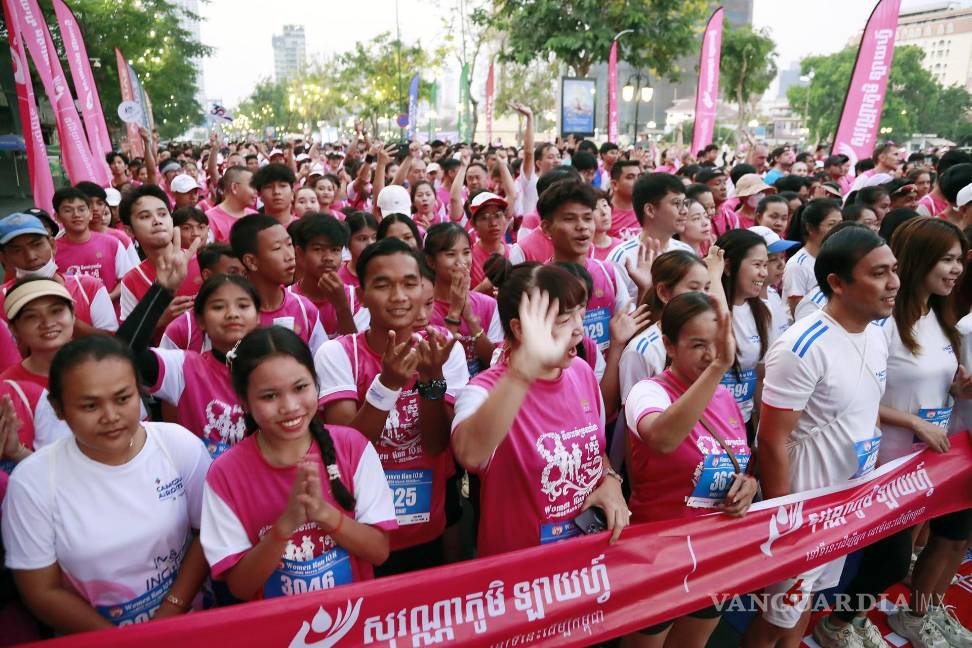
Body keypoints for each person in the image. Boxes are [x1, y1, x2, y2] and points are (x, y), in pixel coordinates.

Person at [744, 224, 901, 648]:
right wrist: (786, 521)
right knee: (775, 617)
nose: (893, 284)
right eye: (878, 273)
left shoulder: (876, 332)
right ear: (836, 282)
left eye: (894, 270)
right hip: (803, 512)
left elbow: (866, 411)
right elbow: (772, 439)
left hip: (845, 507)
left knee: (808, 601)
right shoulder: (802, 346)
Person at [1, 335, 211, 631]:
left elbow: (208, 532)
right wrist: (117, 640)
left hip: (187, 625)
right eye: (90, 406)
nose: (110, 416)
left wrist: (170, 612)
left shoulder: (179, 446)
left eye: (123, 398)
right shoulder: (32, 482)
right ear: (58, 408)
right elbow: (41, 590)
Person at [200, 327, 396, 600]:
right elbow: (241, 587)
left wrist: (324, 514)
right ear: (244, 402)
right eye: (269, 396)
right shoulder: (225, 475)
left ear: (316, 383)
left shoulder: (352, 447)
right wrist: (286, 525)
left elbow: (378, 551)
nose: (290, 406)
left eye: (300, 387)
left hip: (352, 620)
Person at [451, 263, 628, 556]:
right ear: (519, 328)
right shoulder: (483, 392)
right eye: (562, 320)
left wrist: (610, 479)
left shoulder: (581, 372)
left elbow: (594, 448)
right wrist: (524, 369)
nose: (578, 329)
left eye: (578, 314)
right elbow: (470, 453)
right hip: (519, 578)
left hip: (585, 563)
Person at [316, 238, 469, 575]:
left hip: (425, 522)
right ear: (363, 293)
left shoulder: (443, 349)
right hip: (361, 527)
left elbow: (436, 444)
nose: (399, 297)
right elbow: (345, 450)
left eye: (409, 284)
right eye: (383, 285)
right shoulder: (339, 354)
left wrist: (431, 379)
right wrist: (386, 386)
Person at [623, 292, 757, 648]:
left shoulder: (726, 398)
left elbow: (737, 462)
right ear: (669, 344)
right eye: (698, 344)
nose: (711, 355)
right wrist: (717, 370)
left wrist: (747, 485)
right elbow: (662, 439)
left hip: (715, 552)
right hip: (657, 557)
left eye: (717, 344)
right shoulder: (649, 392)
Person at [872, 217, 972, 646]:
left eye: (959, 260)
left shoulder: (940, 315)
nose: (956, 269)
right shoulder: (883, 323)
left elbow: (929, 383)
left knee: (938, 543)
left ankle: (921, 614)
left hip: (931, 460)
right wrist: (912, 421)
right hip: (886, 463)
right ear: (919, 260)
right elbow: (857, 397)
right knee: (883, 563)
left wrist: (956, 389)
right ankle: (840, 623)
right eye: (946, 260)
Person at [542, 180, 630, 352]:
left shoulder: (609, 273)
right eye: (569, 219)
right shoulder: (538, 285)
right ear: (546, 228)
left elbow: (628, 327)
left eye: (587, 218)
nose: (582, 227)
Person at [0, 213, 117, 335]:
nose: (31, 256)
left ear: (52, 245)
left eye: (37, 245)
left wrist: (67, 319)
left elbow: (112, 342)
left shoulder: (89, 287)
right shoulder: (1, 298)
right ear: (3, 259)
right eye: (17, 250)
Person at [229, 215, 327, 356]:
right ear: (251, 261)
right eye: (277, 248)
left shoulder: (304, 308)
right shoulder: (233, 315)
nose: (289, 256)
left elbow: (320, 362)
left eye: (289, 244)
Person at [424, 222, 503, 376]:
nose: (461, 261)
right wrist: (454, 311)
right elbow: (436, 365)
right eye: (450, 254)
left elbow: (494, 364)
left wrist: (470, 320)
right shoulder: (422, 307)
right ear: (431, 261)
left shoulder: (489, 305)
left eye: (466, 252)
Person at [118, 185, 203, 324]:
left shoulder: (202, 260)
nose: (157, 220)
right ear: (129, 230)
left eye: (163, 214)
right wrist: (159, 319)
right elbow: (126, 340)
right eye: (145, 216)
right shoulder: (131, 281)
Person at [51, 187, 135, 304]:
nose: (76, 215)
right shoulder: (52, 251)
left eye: (81, 209)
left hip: (114, 319)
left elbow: (129, 279)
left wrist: (107, 298)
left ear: (90, 213)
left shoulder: (112, 243)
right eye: (68, 210)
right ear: (57, 217)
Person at [289, 213, 367, 337]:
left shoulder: (355, 298)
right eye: (318, 249)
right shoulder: (288, 299)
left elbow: (355, 350)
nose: (328, 258)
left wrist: (342, 307)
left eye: (335, 250)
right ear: (300, 253)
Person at [782, 198, 842, 316]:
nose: (838, 230)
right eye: (831, 225)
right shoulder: (797, 265)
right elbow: (797, 311)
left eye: (840, 224)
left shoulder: (836, 258)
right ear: (810, 228)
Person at [467, 192, 510, 292]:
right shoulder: (468, 257)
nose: (493, 223)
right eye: (485, 217)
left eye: (498, 215)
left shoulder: (514, 252)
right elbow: (460, 302)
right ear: (473, 224)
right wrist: (483, 287)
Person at [206, 166, 257, 241]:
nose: (256, 191)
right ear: (234, 187)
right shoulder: (210, 218)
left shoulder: (255, 216)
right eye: (252, 186)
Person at [338, 211, 378, 288]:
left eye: (374, 237)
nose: (370, 243)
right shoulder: (340, 281)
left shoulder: (387, 272)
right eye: (362, 239)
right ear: (348, 241)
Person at [252, 163, 296, 227]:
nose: (276, 192)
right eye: (268, 187)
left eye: (282, 186)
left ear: (292, 193)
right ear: (259, 194)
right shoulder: (251, 230)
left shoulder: (304, 229)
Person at [609, 160, 642, 238]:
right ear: (614, 184)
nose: (638, 181)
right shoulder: (605, 213)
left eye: (639, 177)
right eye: (630, 177)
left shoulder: (647, 210)